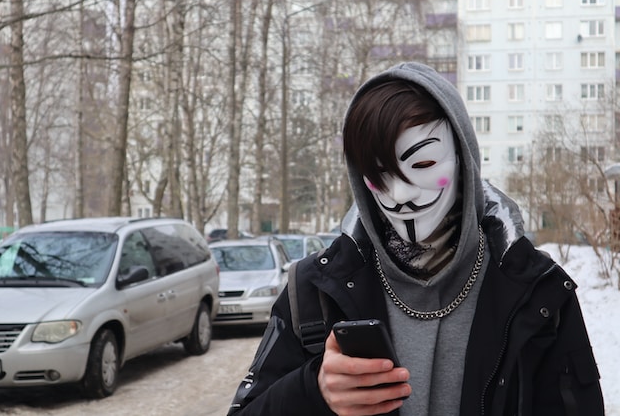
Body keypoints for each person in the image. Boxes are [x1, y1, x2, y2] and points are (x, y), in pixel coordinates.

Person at [226, 62, 604, 415]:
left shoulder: (539, 295)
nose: (401, 195)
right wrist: (313, 390)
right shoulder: (314, 292)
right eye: (379, 175)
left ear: (463, 156)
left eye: (422, 164)